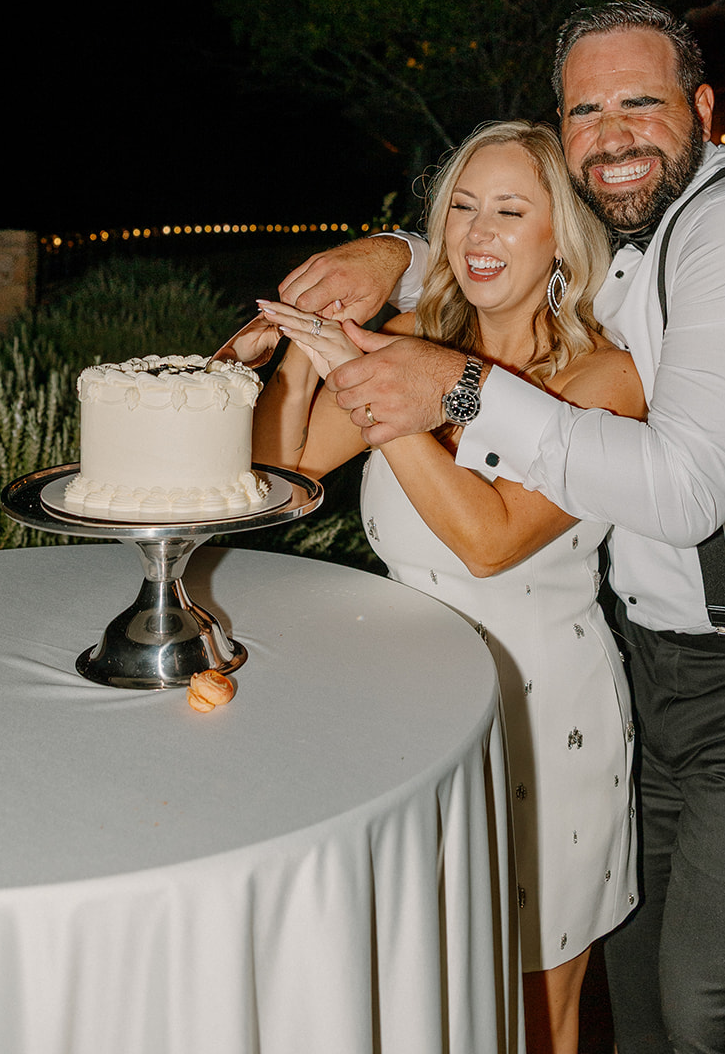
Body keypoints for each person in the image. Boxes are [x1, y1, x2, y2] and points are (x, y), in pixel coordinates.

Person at [271, 1, 725, 1054]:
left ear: (702, 110)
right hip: (654, 668)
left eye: (640, 102)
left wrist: (457, 387)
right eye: (585, 110)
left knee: (718, 1010)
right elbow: (504, 243)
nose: (612, 133)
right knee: (642, 994)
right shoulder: (628, 249)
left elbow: (685, 489)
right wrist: (393, 254)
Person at [226, 121, 647, 1054]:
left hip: (544, 716)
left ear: (562, 236)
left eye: (509, 210)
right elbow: (280, 472)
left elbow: (487, 541)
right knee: (422, 984)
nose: (477, 232)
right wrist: (311, 350)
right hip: (404, 707)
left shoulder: (602, 377)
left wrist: (381, 391)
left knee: (537, 1009)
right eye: (460, 208)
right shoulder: (415, 335)